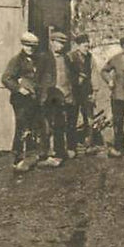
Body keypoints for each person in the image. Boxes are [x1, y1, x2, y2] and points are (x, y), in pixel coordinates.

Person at [35, 30, 80, 167]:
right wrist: (41, 95)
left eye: (62, 44)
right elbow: (38, 79)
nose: (60, 46)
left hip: (64, 96)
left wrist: (70, 94)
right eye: (57, 43)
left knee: (61, 124)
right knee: (47, 126)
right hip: (50, 96)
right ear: (51, 42)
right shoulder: (44, 58)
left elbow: (70, 77)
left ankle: (59, 153)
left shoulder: (66, 58)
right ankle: (45, 153)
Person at [2, 32, 41, 171]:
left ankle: (29, 157)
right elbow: (6, 78)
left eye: (33, 46)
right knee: (21, 126)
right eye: (27, 45)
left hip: (33, 99)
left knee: (31, 127)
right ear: (22, 45)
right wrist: (19, 88)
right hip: (20, 100)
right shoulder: (17, 60)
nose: (30, 48)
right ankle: (17, 157)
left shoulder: (36, 60)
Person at [68, 34, 104, 151]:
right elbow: (66, 75)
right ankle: (71, 146)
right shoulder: (70, 57)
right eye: (84, 46)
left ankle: (89, 144)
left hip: (86, 92)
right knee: (72, 118)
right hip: (73, 92)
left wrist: (95, 92)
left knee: (89, 119)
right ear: (78, 46)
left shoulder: (90, 58)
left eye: (88, 46)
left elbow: (94, 74)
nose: (86, 48)